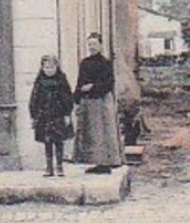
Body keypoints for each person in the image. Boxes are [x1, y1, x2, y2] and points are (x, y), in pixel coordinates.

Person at [72, 33, 123, 173]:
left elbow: (108, 83)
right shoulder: (84, 63)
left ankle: (105, 163)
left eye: (94, 44)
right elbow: (80, 82)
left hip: (101, 101)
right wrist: (76, 99)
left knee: (102, 131)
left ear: (100, 45)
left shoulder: (105, 63)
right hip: (87, 102)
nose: (92, 47)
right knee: (90, 133)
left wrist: (93, 87)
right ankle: (93, 162)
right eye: (90, 44)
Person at [28, 55, 75, 178]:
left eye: (52, 67)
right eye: (47, 67)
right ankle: (49, 167)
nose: (49, 70)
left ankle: (59, 166)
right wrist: (33, 116)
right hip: (44, 116)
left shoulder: (61, 80)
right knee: (47, 141)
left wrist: (67, 113)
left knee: (59, 141)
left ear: (56, 67)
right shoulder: (39, 82)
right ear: (42, 68)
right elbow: (34, 99)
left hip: (58, 115)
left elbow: (67, 97)